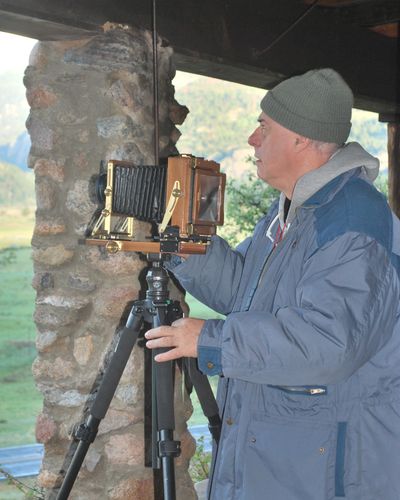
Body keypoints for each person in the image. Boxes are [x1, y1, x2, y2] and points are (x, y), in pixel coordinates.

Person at [145, 68, 400, 500]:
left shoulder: (352, 220)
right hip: (287, 459)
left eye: (264, 126)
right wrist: (180, 243)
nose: (252, 139)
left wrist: (213, 340)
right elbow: (246, 289)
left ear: (301, 136)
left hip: (326, 472)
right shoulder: (296, 210)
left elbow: (330, 342)